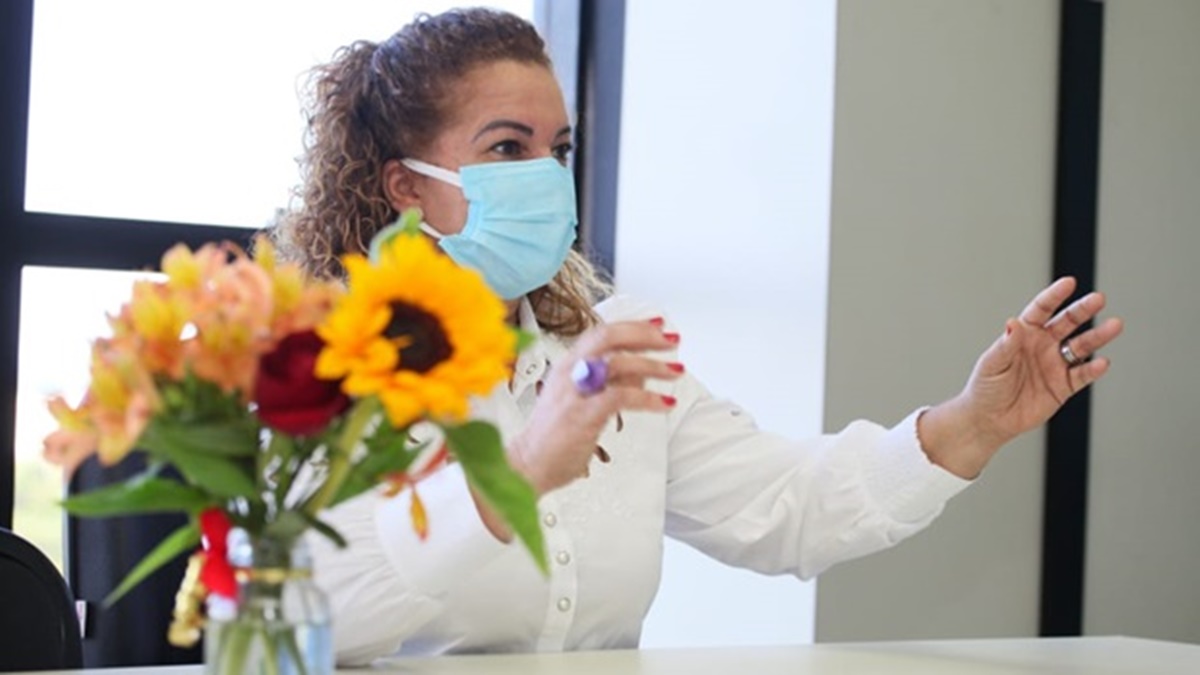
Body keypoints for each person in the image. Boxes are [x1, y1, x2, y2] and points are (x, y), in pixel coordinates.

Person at [269, 7, 1123, 666]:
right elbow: (307, 617)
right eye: (506, 147)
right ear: (406, 188)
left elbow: (788, 508)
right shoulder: (322, 367)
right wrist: (518, 472)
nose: (543, 176)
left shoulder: (613, 346)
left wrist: (970, 423)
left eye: (557, 149)